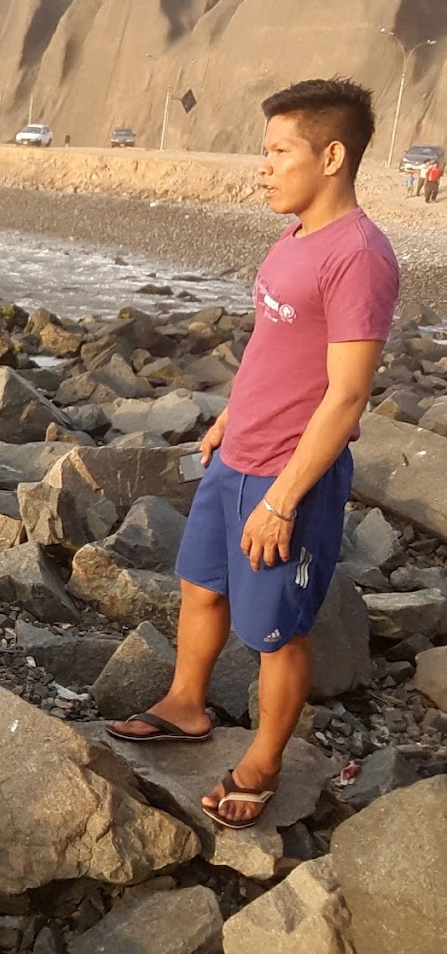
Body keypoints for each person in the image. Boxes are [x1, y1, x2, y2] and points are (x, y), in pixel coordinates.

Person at [107, 79, 400, 831]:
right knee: (201, 586)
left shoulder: (359, 255)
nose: (262, 168)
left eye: (277, 152)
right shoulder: (295, 235)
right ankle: (186, 704)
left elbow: (346, 396)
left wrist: (282, 499)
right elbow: (274, 346)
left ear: (331, 156)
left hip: (290, 476)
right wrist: (229, 417)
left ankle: (264, 761)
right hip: (239, 453)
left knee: (277, 630)